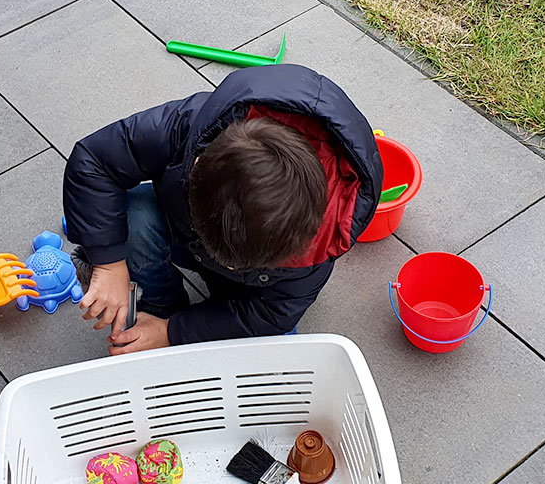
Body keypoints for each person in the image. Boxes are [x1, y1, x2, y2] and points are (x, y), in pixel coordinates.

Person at [63, 63, 382, 355]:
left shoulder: (319, 240)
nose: (225, 266)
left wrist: (172, 332)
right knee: (136, 219)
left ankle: (177, 323)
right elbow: (94, 161)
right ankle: (162, 306)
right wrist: (109, 265)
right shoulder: (187, 127)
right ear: (197, 165)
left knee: (273, 344)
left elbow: (271, 313)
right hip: (188, 235)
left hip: (258, 287)